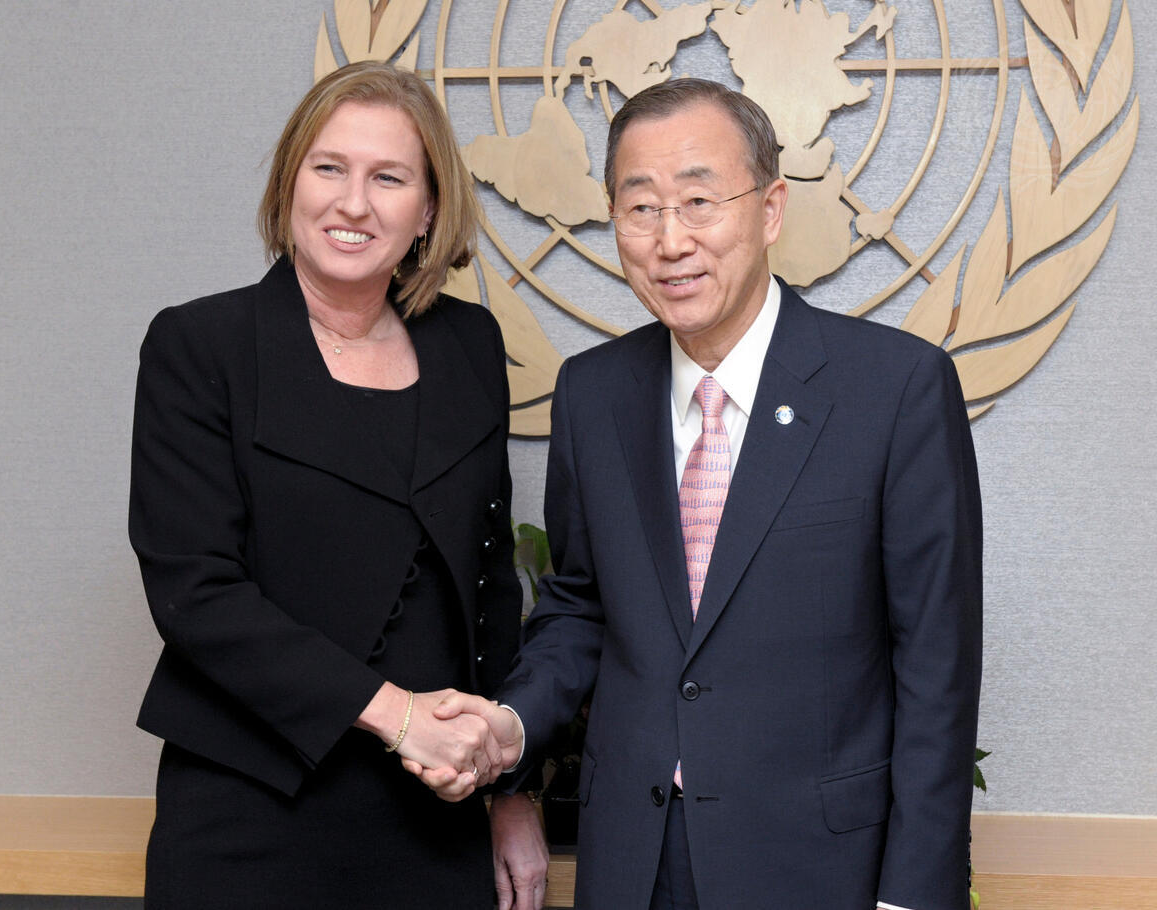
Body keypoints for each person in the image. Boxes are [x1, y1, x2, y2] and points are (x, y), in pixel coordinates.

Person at [414, 78, 982, 910]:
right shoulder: (593, 394)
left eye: (699, 201)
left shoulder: (895, 390)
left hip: (821, 867)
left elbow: (936, 666)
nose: (670, 240)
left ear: (771, 210)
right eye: (641, 208)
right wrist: (513, 725)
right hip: (634, 863)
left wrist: (914, 897)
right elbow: (581, 607)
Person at [129, 61, 546, 910]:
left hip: (435, 822)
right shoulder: (200, 346)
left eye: (388, 178)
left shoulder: (469, 346)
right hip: (249, 814)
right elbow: (196, 594)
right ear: (291, 184)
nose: (353, 203)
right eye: (329, 168)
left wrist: (513, 795)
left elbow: (490, 589)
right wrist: (399, 716)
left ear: (428, 210)